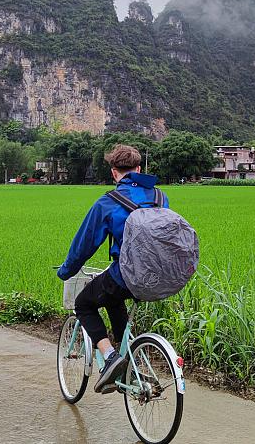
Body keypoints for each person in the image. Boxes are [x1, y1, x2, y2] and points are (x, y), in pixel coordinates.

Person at [56, 144, 168, 393]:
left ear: (114, 172)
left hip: (127, 274)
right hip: (160, 275)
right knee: (112, 299)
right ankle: (131, 362)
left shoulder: (108, 202)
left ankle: (110, 357)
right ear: (139, 169)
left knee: (84, 303)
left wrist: (66, 271)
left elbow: (83, 245)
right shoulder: (160, 197)